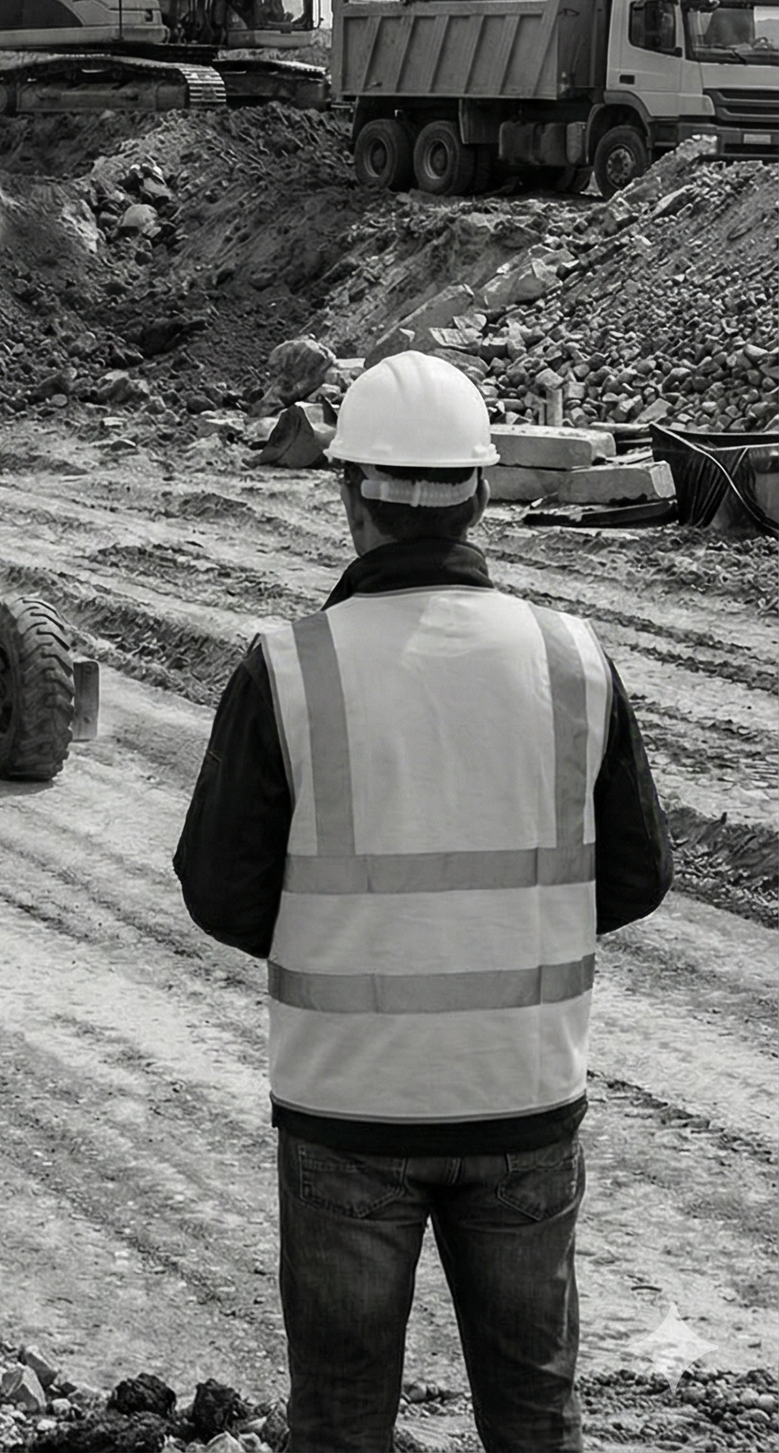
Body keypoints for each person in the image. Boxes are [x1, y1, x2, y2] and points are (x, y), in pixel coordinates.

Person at [173, 352, 673, 1451]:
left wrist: (351, 934)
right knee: (533, 1413)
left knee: (343, 1419)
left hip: (347, 1109)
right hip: (524, 1094)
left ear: (349, 496)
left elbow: (219, 889)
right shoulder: (571, 657)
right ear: (481, 492)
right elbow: (636, 875)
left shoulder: (289, 666)